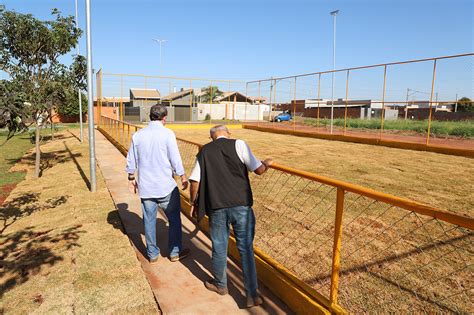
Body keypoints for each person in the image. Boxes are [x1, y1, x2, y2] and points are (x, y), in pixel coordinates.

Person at [189, 125, 272, 308]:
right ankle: (252, 295)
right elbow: (258, 170)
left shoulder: (204, 151)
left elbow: (195, 181)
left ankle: (220, 285)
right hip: (241, 205)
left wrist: (194, 202)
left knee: (219, 247)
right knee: (245, 248)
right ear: (228, 133)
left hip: (216, 207)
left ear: (212, 137)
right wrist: (267, 163)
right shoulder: (239, 144)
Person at [126, 104, 190, 263]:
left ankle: (152, 254)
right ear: (164, 118)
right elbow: (174, 157)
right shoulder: (168, 134)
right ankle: (175, 252)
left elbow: (131, 159)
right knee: (174, 219)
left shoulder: (138, 135)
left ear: (150, 116)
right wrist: (182, 175)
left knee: (148, 221)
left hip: (146, 187)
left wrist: (131, 178)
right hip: (166, 186)